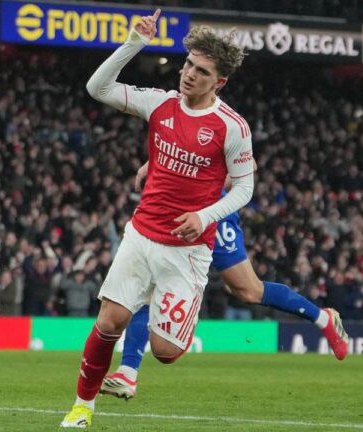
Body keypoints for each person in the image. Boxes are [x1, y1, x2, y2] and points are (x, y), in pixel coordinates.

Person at [61, 10, 256, 427]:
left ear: (219, 82)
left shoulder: (232, 127)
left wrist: (203, 215)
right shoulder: (160, 103)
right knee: (109, 322)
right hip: (141, 235)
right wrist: (135, 41)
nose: (189, 75)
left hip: (187, 250)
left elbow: (244, 189)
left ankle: (174, 310)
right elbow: (97, 88)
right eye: (188, 65)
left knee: (165, 352)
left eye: (201, 72)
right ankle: (82, 408)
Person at [99, 163, 350, 400]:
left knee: (248, 290)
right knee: (150, 285)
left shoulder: (227, 131)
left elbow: (248, 165)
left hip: (211, 212)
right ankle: (127, 372)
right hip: (173, 203)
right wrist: (151, 163)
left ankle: (323, 318)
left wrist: (212, 179)